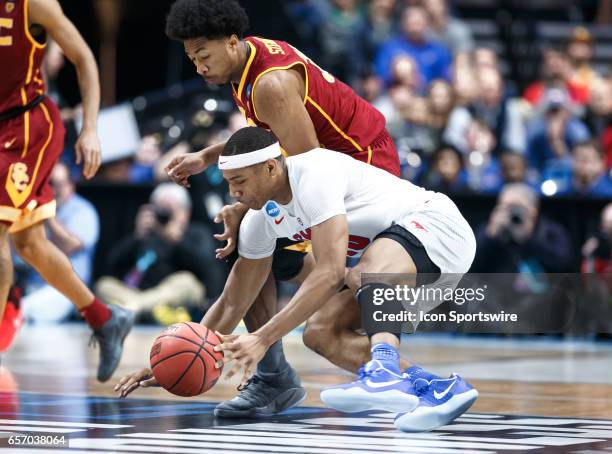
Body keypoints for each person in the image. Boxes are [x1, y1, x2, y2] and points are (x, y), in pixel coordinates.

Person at [115, 127, 478, 433]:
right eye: (228, 184)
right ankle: (440, 390)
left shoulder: (313, 175)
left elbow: (331, 272)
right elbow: (231, 302)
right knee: (320, 333)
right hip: (398, 270)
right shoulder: (261, 220)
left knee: (365, 268)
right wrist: (172, 360)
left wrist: (262, 338)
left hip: (438, 228)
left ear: (271, 168)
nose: (234, 194)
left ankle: (382, 368)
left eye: (240, 181)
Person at [162, 0, 401, 417]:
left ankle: (343, 308)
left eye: (203, 55)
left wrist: (251, 203)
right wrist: (210, 155)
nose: (198, 66)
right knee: (260, 251)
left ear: (232, 42)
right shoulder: (249, 60)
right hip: (335, 159)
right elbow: (274, 138)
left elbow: (307, 167)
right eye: (190, 58)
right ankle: (291, 358)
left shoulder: (269, 83)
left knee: (268, 252)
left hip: (362, 164)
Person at [0, 0, 133, 382]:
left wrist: (91, 128)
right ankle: (104, 319)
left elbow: (84, 59)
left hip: (26, 127)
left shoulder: (33, 4)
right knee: (29, 245)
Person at [95, 183, 225, 324]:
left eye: (169, 210)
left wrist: (177, 240)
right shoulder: (146, 233)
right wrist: (138, 237)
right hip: (138, 291)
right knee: (104, 285)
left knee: (186, 282)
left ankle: (133, 308)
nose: (163, 215)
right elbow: (113, 264)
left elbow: (210, 271)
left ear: (185, 211)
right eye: (160, 209)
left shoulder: (196, 233)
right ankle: (142, 310)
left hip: (172, 294)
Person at [19, 161, 99, 323]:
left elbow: (68, 246)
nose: (51, 191)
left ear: (71, 185)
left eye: (56, 184)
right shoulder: (31, 212)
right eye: (47, 184)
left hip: (67, 292)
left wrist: (48, 215)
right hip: (31, 286)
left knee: (25, 309)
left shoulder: (84, 211)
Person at [471, 183, 573, 273]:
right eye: (504, 207)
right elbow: (471, 266)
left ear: (533, 211)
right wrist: (490, 235)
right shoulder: (491, 230)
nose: (510, 212)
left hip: (542, 293)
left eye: (515, 207)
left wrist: (529, 238)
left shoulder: (552, 232)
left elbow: (562, 266)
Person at [375, 5, 452, 86]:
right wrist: (396, 75)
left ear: (427, 25)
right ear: (403, 24)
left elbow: (445, 79)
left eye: (418, 23)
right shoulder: (389, 48)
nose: (415, 28)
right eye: (411, 24)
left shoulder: (438, 51)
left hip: (427, 95)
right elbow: (380, 77)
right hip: (394, 94)